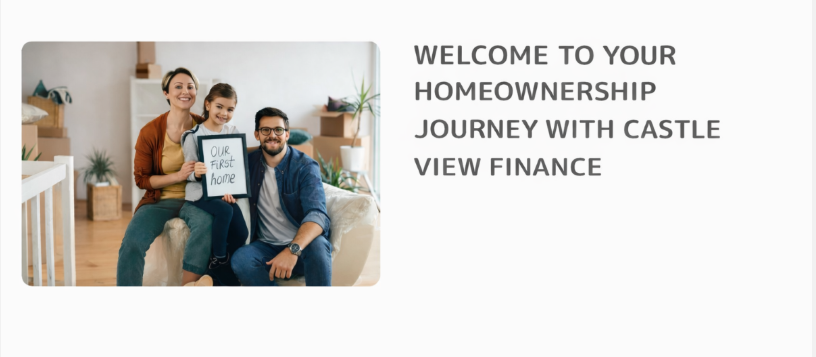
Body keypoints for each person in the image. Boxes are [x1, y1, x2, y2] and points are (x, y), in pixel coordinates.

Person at [117, 67, 215, 286]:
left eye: (190, 87)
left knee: (206, 225)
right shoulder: (150, 131)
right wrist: (178, 175)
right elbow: (142, 179)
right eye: (178, 86)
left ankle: (190, 286)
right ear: (166, 93)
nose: (185, 91)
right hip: (160, 200)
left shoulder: (205, 127)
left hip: (197, 201)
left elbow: (226, 153)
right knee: (131, 243)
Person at [228, 107, 332, 286]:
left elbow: (318, 215)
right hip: (265, 246)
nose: (272, 135)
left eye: (278, 130)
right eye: (265, 130)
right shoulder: (248, 164)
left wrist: (292, 250)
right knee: (240, 259)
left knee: (319, 246)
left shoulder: (305, 167)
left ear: (287, 135)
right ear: (257, 134)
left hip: (303, 247)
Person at [181, 83, 248, 285]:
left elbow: (235, 167)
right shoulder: (193, 136)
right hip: (199, 193)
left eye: (230, 109)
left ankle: (224, 268)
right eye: (219, 106)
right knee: (224, 211)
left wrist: (234, 189)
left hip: (223, 191)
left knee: (242, 232)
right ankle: (217, 259)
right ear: (208, 105)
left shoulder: (232, 132)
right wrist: (198, 173)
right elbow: (188, 172)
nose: (224, 113)